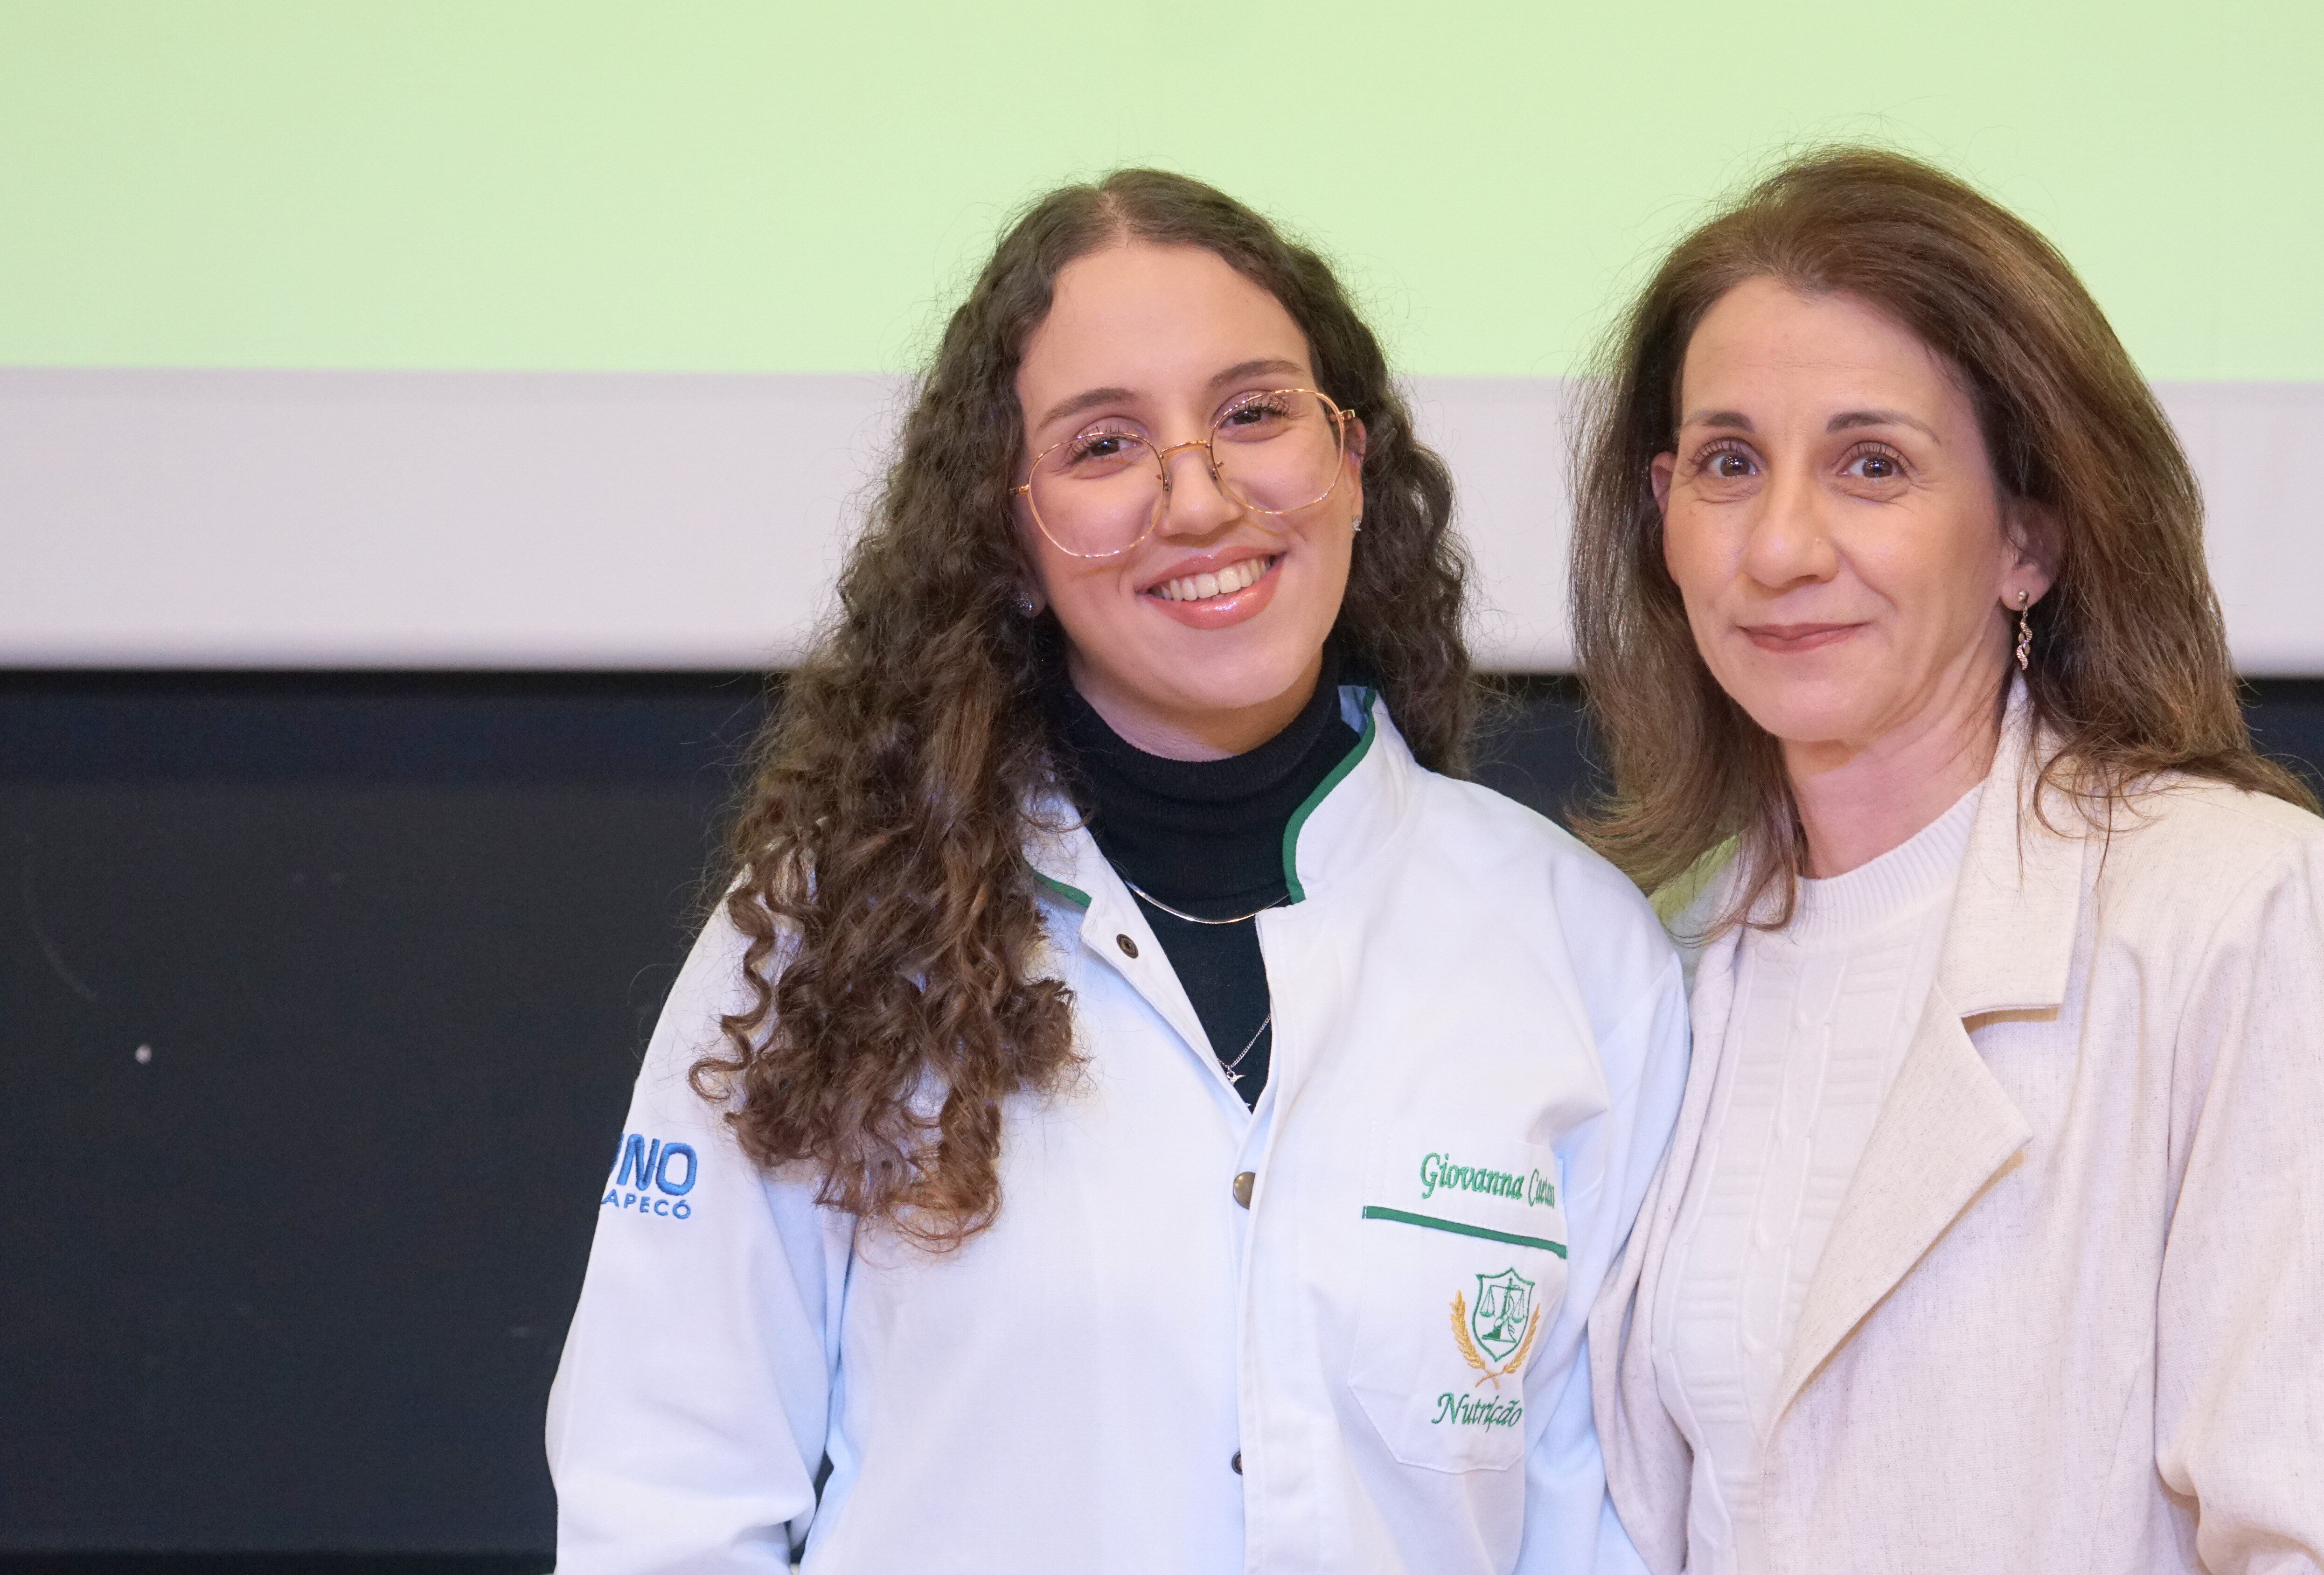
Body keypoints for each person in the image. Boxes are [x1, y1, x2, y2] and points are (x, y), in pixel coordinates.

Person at [546, 168, 1688, 1575]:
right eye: (1103, 445)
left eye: (1255, 414)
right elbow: (663, 1498)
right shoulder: (830, 932)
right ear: (1010, 542)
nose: (1198, 498)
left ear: (1352, 463)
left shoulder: (1574, 948)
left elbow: (1600, 1537)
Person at [1574, 148, 2324, 1574]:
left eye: (1872, 465)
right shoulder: (1653, 958)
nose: (1780, 546)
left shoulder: (2243, 911)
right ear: (1664, 511)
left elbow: (2317, 1536)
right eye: (1730, 464)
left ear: (2027, 538)